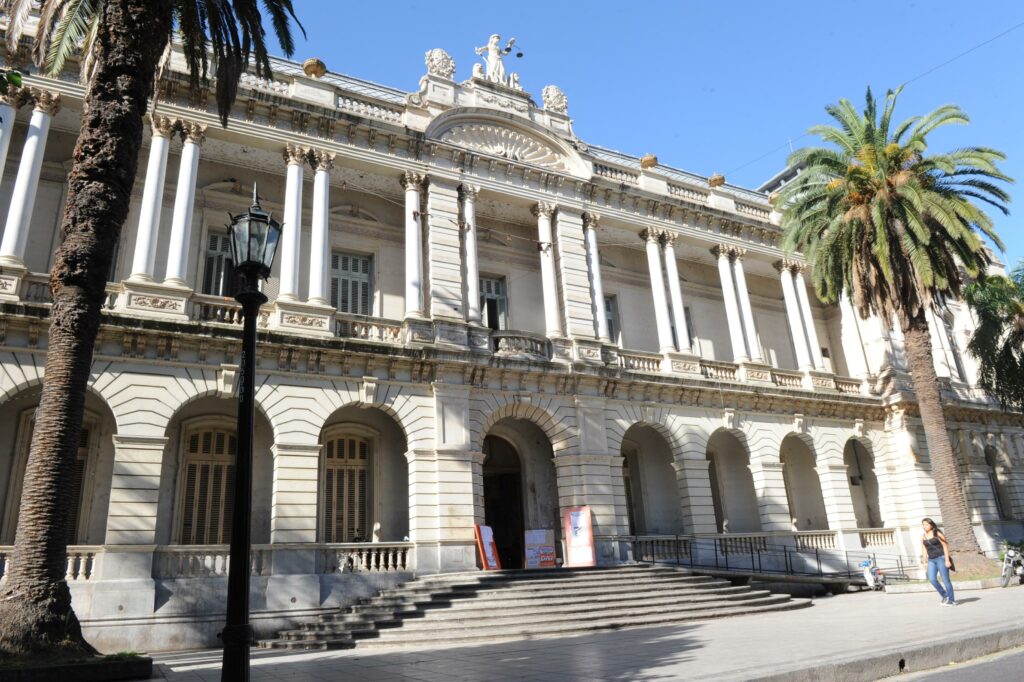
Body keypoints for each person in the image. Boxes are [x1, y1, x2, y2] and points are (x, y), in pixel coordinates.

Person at [921, 517, 956, 606]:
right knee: (932, 579)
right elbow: (924, 549)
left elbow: (945, 546)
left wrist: (947, 560)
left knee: (945, 580)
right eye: (923, 525)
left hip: (941, 558)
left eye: (926, 524)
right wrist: (924, 562)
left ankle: (951, 600)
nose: (924, 526)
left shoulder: (937, 533)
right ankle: (945, 595)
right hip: (931, 560)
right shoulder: (923, 536)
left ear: (931, 525)